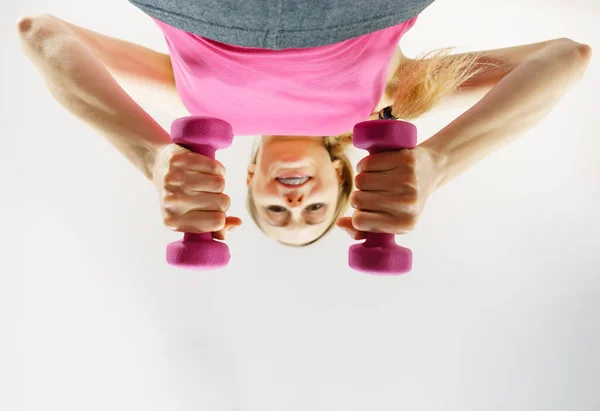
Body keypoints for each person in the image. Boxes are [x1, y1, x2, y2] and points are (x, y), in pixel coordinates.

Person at [17, 1, 592, 247]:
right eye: (316, 211)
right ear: (343, 177)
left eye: (275, 212)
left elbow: (41, 34)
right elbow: (565, 58)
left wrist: (149, 155)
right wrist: (439, 162)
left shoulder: (195, 106)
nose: (295, 203)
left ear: (249, 182)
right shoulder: (394, 96)